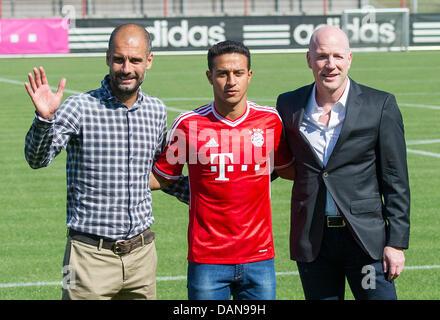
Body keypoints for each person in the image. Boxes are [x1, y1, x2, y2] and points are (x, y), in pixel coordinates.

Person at [24, 24, 167, 300]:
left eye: (135, 60)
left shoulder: (156, 111)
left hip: (142, 256)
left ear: (149, 60)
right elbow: (36, 159)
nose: (126, 68)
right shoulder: (80, 107)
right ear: (107, 58)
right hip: (87, 257)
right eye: (119, 59)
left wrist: (214, 190)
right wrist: (44, 120)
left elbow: (159, 174)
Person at [150, 40, 294, 300]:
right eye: (222, 74)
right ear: (209, 76)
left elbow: (289, 170)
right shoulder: (188, 125)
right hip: (207, 259)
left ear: (249, 76)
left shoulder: (270, 121)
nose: (231, 81)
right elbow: (162, 177)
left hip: (259, 258)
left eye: (238, 73)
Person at [276, 25, 410, 300]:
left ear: (350, 59)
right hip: (314, 240)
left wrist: (396, 243)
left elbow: (395, 179)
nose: (331, 65)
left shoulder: (380, 105)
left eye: (338, 56)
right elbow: (275, 163)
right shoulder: (289, 104)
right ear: (309, 59)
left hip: (365, 242)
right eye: (323, 56)